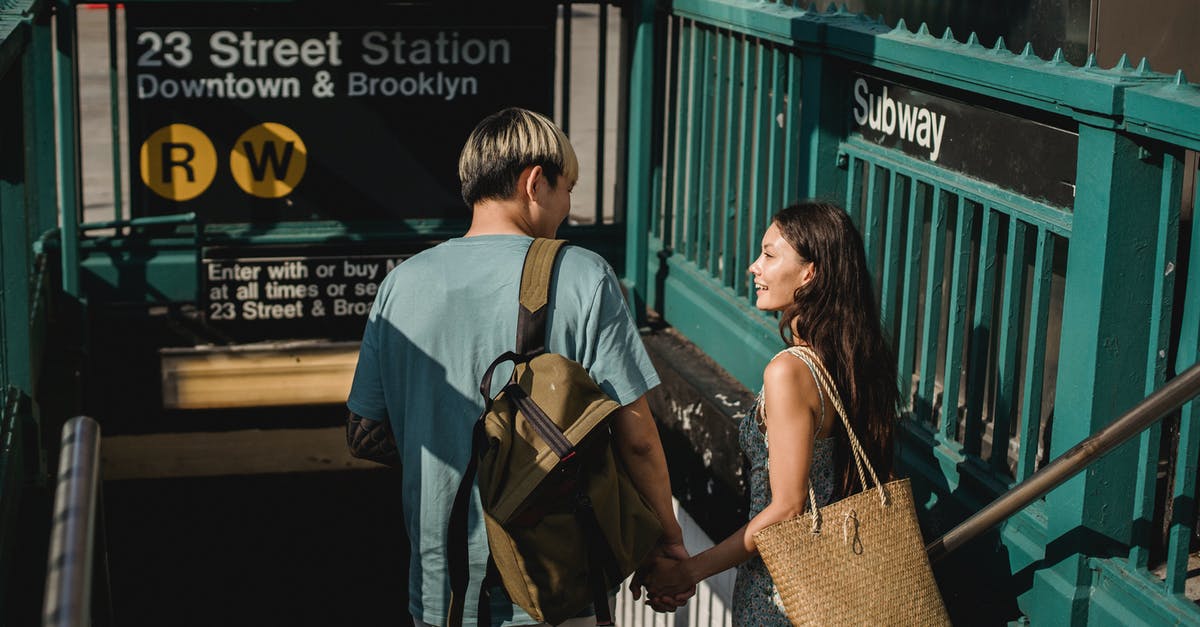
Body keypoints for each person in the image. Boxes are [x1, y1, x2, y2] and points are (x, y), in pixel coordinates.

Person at [344, 107, 691, 626]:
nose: (568, 207)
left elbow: (364, 431)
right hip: (556, 588)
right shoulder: (582, 275)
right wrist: (666, 540)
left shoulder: (401, 284)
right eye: (566, 187)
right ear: (535, 182)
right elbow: (636, 437)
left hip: (440, 594)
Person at [642, 201, 899, 624]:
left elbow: (787, 508)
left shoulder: (790, 372)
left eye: (769, 254)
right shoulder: (854, 361)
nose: (753, 267)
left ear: (809, 273)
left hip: (782, 595)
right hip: (837, 584)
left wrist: (689, 571)